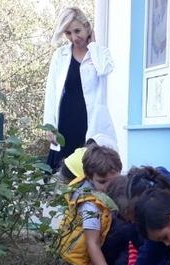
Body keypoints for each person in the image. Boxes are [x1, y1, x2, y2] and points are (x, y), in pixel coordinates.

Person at [43, 7, 117, 173]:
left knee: (88, 168)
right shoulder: (60, 55)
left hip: (89, 120)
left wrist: (94, 46)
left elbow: (104, 69)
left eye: (78, 31)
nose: (74, 38)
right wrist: (49, 125)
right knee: (62, 172)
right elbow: (51, 92)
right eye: (68, 33)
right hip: (65, 121)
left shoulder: (100, 53)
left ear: (87, 27)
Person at [57, 145, 128, 265]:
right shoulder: (90, 205)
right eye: (102, 182)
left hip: (101, 236)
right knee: (123, 229)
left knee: (126, 227)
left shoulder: (107, 189)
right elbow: (92, 242)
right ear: (89, 177)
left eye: (113, 180)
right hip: (83, 251)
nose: (109, 186)